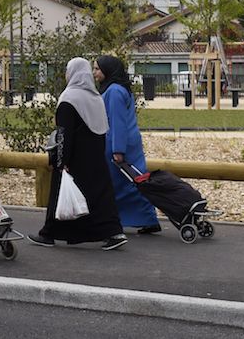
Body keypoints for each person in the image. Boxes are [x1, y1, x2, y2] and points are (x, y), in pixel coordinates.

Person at [29, 57, 127, 251]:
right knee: (100, 195)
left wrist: (61, 161)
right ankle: (113, 232)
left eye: (68, 70)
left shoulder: (69, 99)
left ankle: (48, 233)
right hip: (95, 156)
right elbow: (102, 129)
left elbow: (64, 134)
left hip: (74, 158)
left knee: (60, 193)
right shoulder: (96, 97)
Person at [94, 55, 161, 235]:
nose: (94, 73)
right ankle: (145, 218)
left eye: (97, 69)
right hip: (128, 141)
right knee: (133, 181)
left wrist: (117, 149)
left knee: (123, 183)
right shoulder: (120, 88)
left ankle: (114, 220)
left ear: (107, 70)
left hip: (118, 142)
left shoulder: (114, 91)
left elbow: (117, 121)